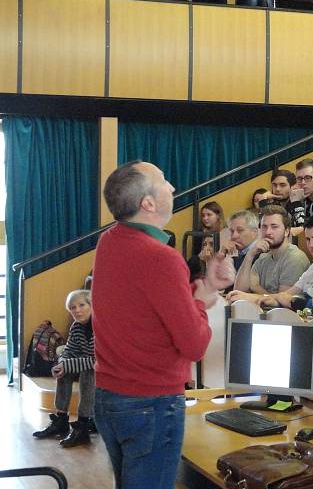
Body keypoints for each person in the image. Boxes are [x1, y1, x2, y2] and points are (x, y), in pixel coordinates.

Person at [92, 161, 233, 489]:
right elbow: (194, 344)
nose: (172, 188)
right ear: (148, 203)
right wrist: (201, 302)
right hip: (149, 403)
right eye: (164, 181)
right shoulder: (162, 258)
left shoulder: (110, 241)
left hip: (110, 398)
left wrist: (203, 290)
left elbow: (146, 312)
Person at [32, 289, 96, 447]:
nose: (77, 310)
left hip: (106, 366)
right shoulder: (76, 327)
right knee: (64, 371)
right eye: (73, 307)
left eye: (81, 305)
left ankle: (83, 424)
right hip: (87, 361)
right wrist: (61, 363)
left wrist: (66, 364)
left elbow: (98, 360)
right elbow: (70, 350)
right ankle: (61, 420)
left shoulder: (100, 326)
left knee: (88, 374)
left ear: (92, 305)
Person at [227, 206, 310, 303]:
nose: (268, 232)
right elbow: (239, 291)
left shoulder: (295, 258)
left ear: (287, 231)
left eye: (274, 227)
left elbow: (282, 302)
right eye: (264, 227)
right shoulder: (263, 257)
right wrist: (250, 255)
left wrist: (255, 288)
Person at [288, 158, 313, 233]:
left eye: (307, 178)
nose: (302, 182)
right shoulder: (300, 198)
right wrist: (292, 201)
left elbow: (304, 231)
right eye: (299, 178)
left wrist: (296, 203)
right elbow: (287, 225)